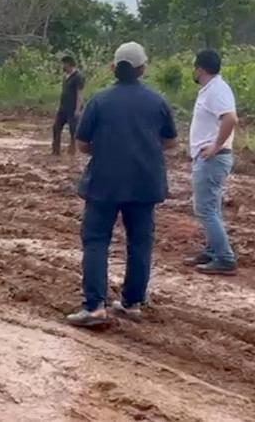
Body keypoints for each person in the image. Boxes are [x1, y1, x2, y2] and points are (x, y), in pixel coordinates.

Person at [66, 42, 178, 328]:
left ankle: (94, 307)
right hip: (144, 183)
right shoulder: (158, 101)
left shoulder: (100, 101)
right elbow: (170, 142)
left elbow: (81, 144)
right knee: (140, 242)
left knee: (96, 240)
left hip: (104, 182)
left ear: (113, 68)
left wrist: (107, 149)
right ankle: (132, 302)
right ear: (143, 68)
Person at [183, 50, 238, 275]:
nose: (194, 71)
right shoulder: (212, 89)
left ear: (201, 68)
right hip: (211, 157)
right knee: (211, 207)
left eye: (195, 67)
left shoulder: (216, 90)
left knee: (205, 208)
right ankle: (213, 250)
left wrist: (215, 146)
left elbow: (231, 118)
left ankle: (224, 258)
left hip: (213, 158)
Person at [52, 55, 85, 156]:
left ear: (69, 64)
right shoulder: (65, 77)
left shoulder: (78, 77)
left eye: (64, 64)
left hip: (72, 108)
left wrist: (78, 109)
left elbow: (79, 94)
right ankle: (55, 150)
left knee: (73, 130)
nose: (62, 66)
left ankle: (73, 150)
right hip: (63, 108)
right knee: (56, 128)